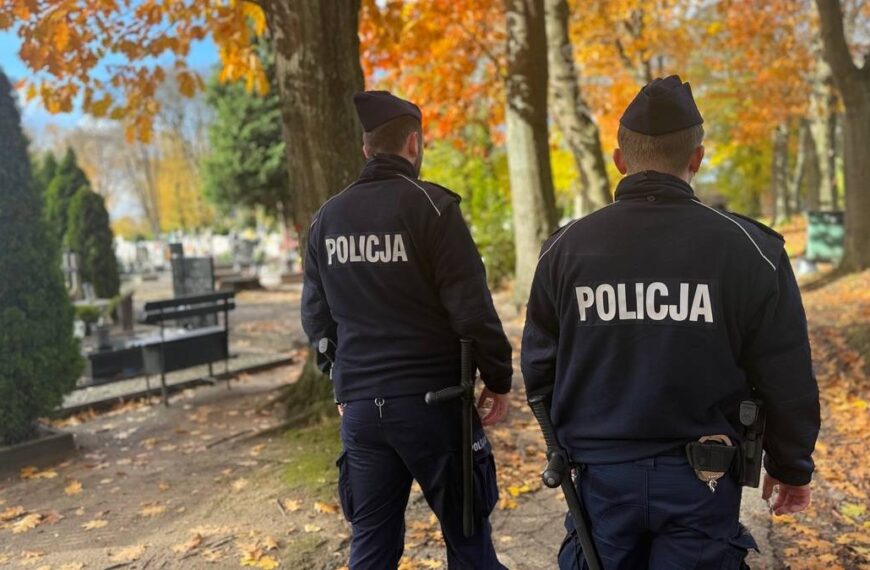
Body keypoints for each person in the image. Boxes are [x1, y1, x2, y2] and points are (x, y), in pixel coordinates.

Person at [521, 75, 820, 569]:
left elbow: (538, 370)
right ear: (696, 159)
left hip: (600, 480)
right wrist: (791, 468)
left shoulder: (564, 250)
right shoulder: (750, 251)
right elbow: (785, 372)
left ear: (620, 161)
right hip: (702, 480)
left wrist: (572, 442)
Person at [301, 90, 513, 569]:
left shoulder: (326, 218)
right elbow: (472, 311)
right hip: (434, 406)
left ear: (365, 148)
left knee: (371, 549)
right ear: (413, 144)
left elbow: (316, 317)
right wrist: (498, 378)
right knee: (469, 543)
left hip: (361, 410)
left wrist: (339, 378)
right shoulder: (432, 208)